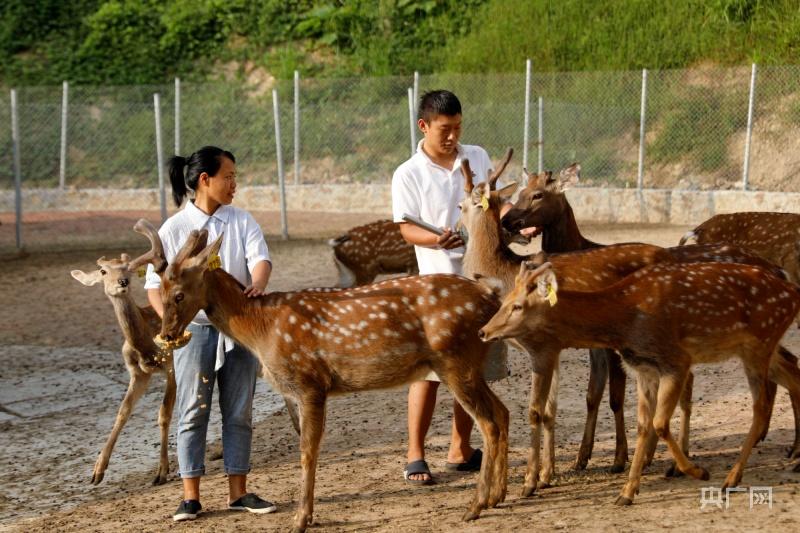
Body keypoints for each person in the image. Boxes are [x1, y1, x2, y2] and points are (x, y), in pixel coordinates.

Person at [144, 146, 276, 521]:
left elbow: (260, 259)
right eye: (229, 176)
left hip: (238, 328)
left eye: (235, 176)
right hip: (194, 334)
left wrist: (259, 284)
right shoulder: (174, 229)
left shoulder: (241, 220)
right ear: (206, 180)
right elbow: (155, 285)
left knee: (239, 412)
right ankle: (190, 497)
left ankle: (239, 492)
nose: (234, 183)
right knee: (191, 411)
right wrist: (172, 322)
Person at [391, 90, 510, 485]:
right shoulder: (408, 173)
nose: (453, 136)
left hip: (481, 285)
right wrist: (434, 240)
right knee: (427, 371)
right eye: (445, 129)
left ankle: (460, 448)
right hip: (437, 286)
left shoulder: (475, 156)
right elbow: (406, 227)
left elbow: (495, 204)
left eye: (458, 127)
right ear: (424, 126)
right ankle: (415, 454)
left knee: (472, 368)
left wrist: (517, 219)